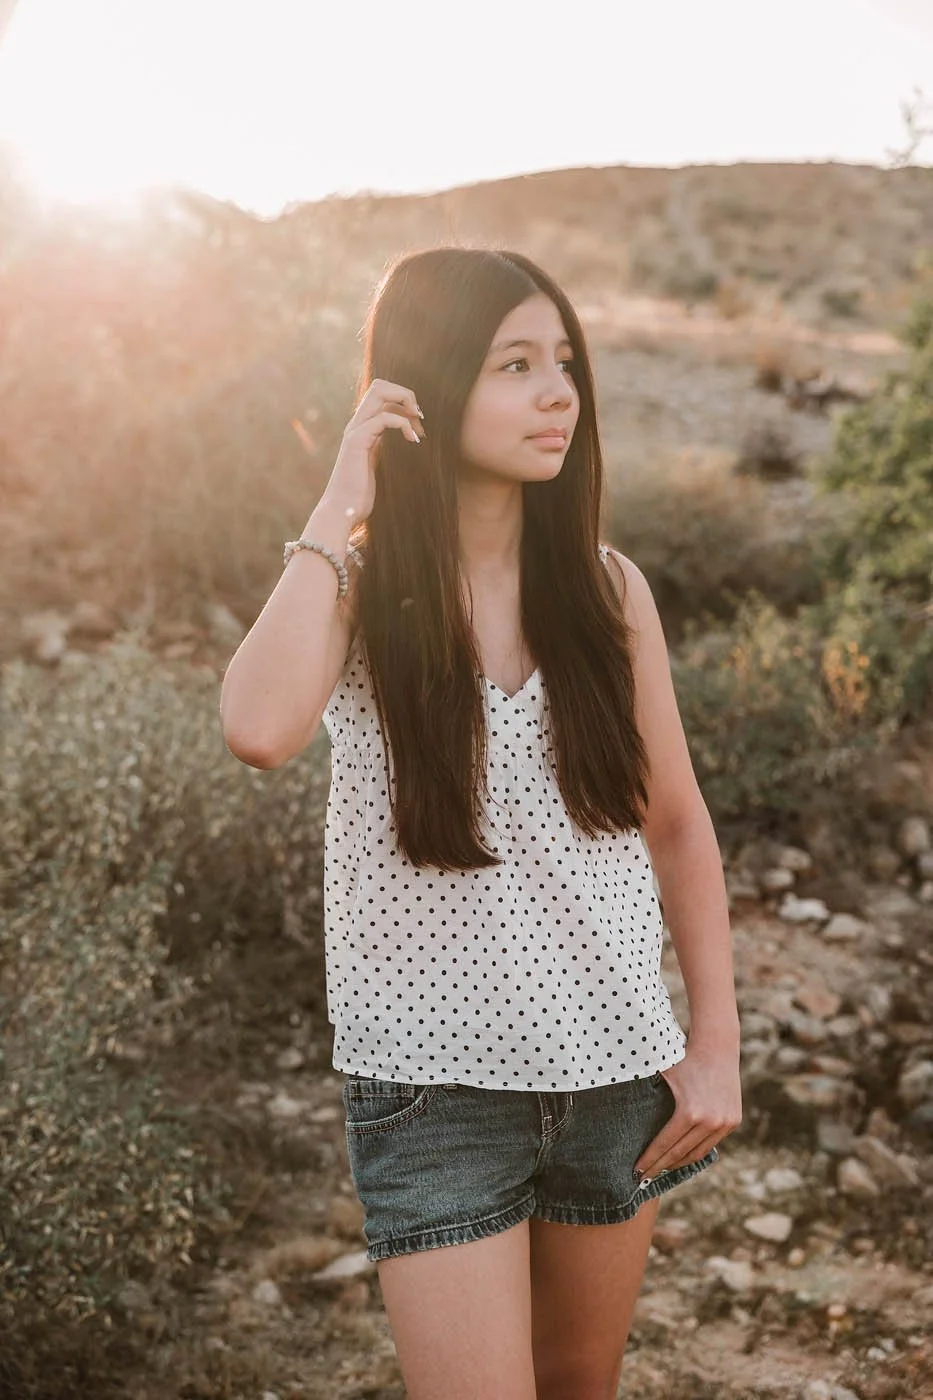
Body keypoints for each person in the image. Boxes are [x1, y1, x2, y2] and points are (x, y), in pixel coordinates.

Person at [220, 246, 742, 1400]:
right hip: (431, 1085)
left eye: (564, 362)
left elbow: (675, 822)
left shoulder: (609, 591)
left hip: (614, 1072)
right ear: (426, 383)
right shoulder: (353, 591)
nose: (558, 392)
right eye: (514, 363)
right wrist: (338, 496)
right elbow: (257, 726)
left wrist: (715, 1044)